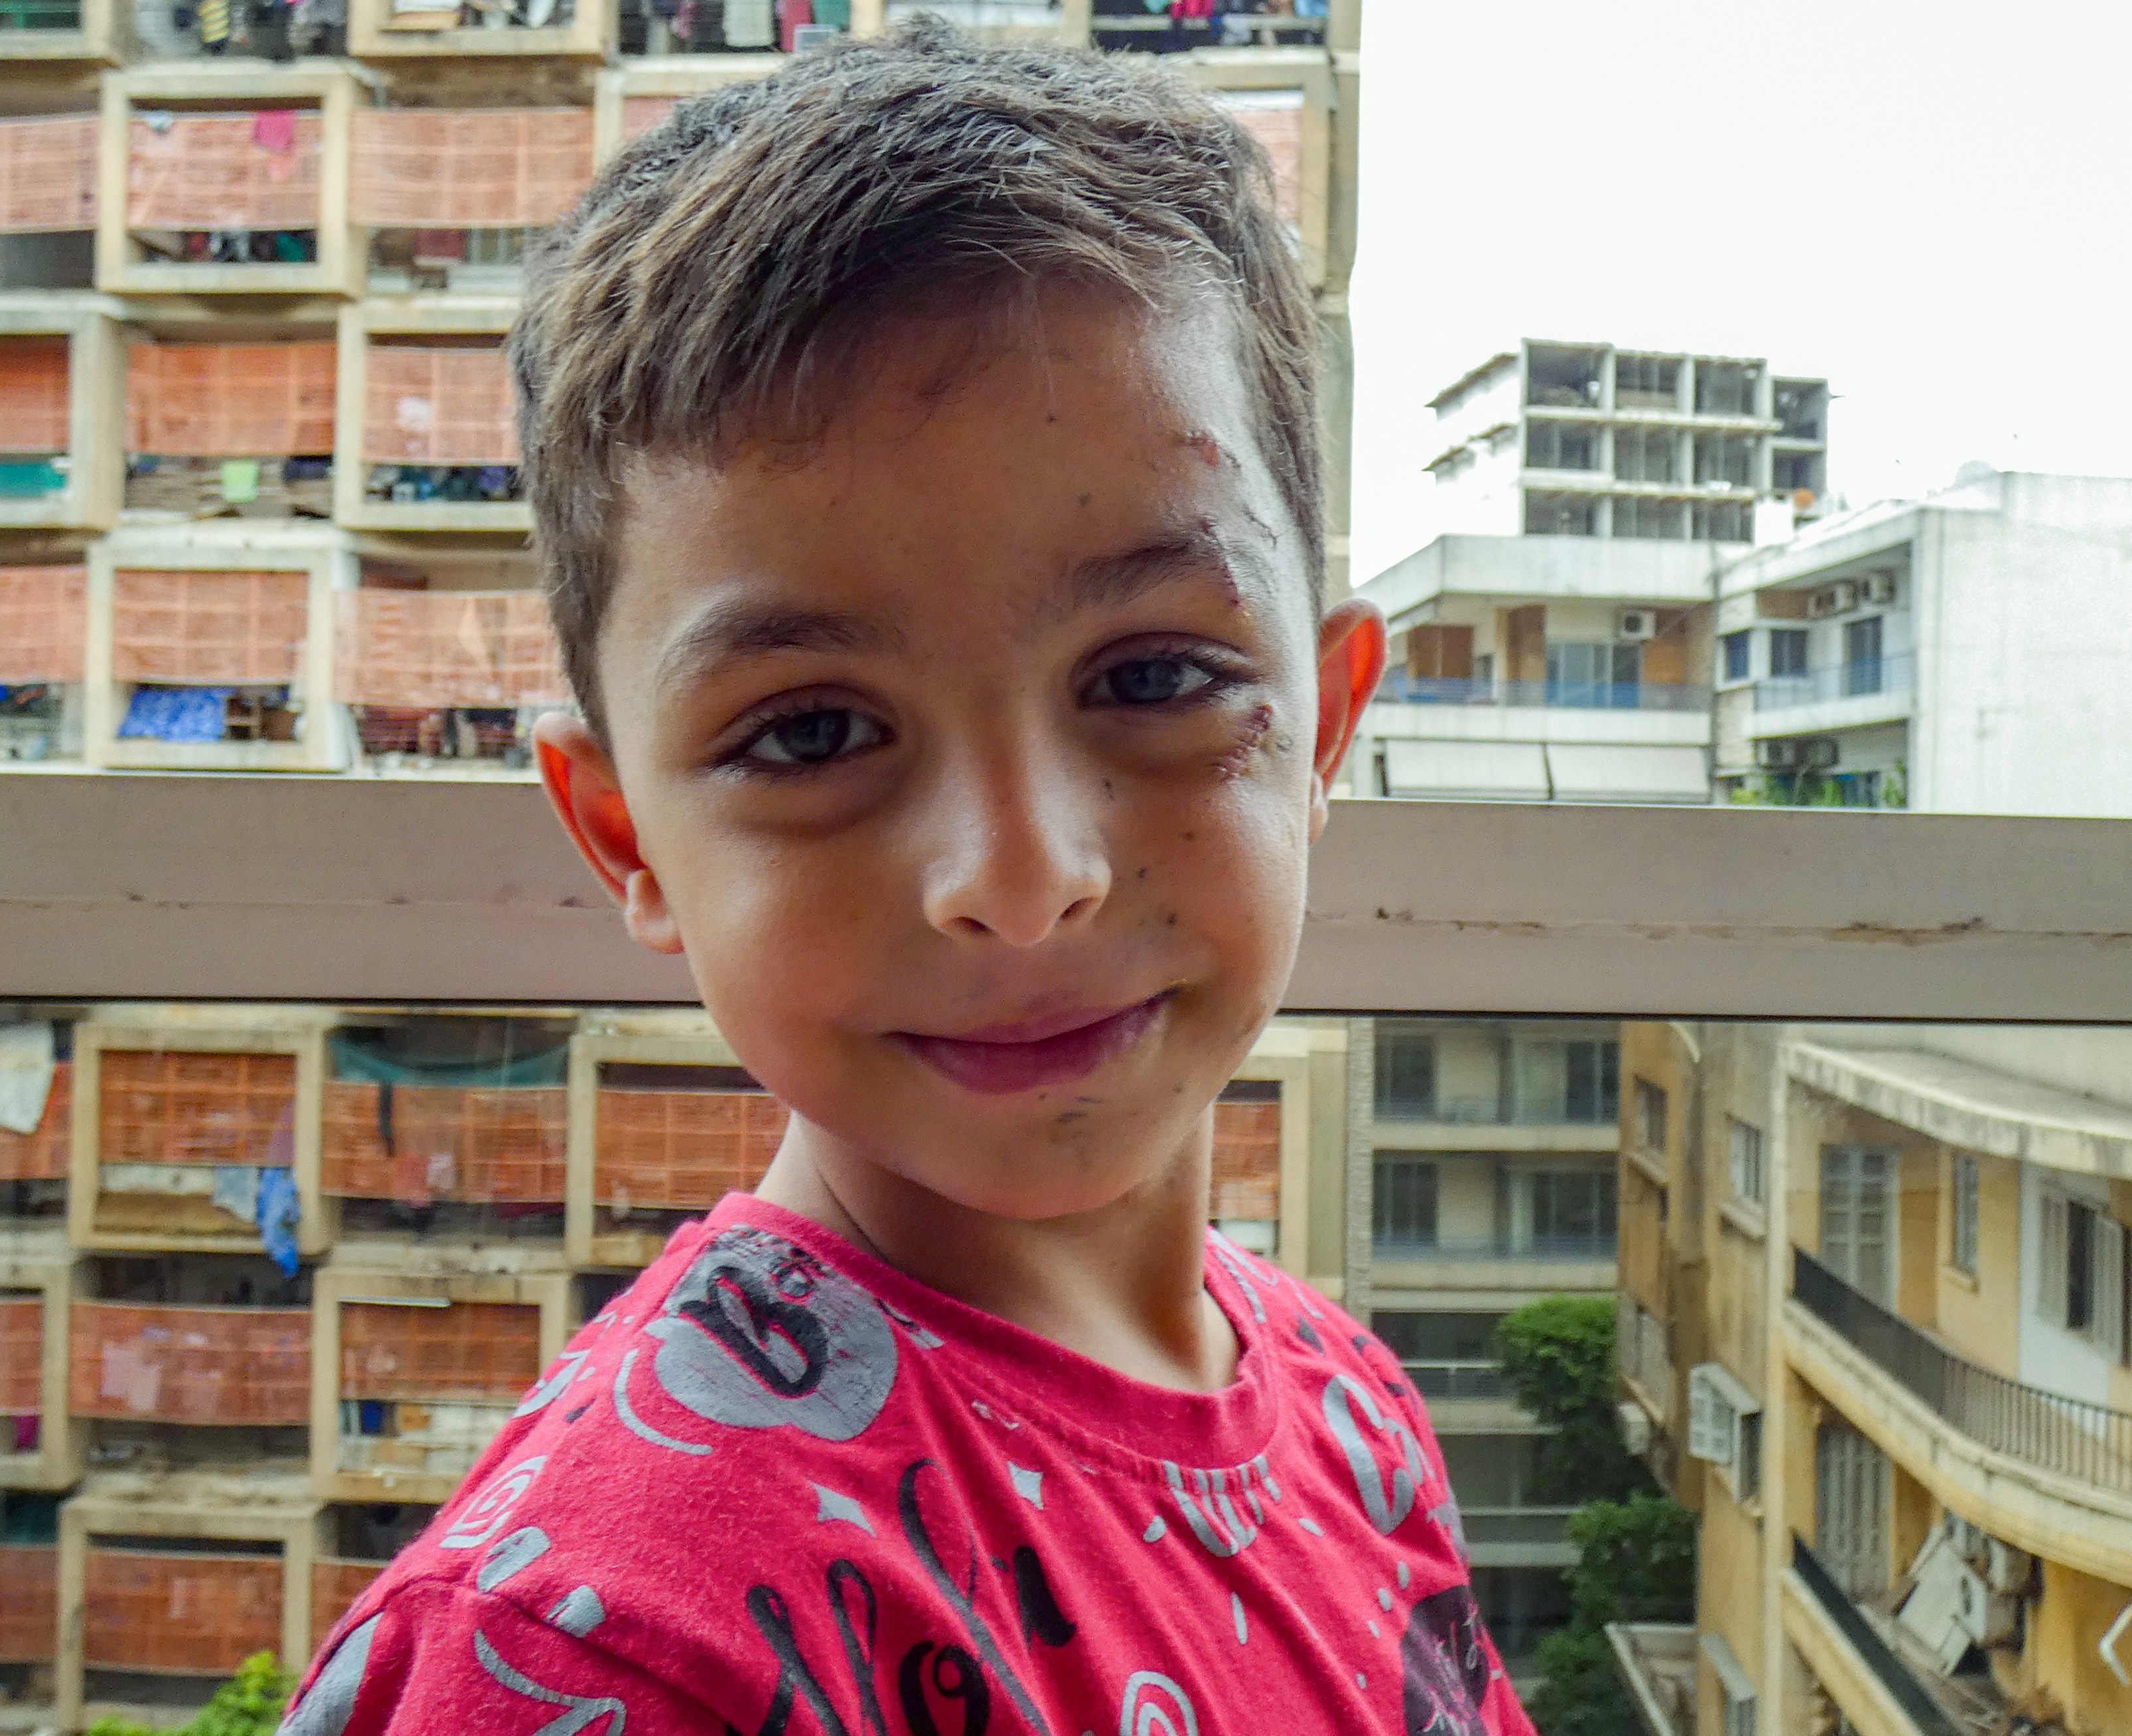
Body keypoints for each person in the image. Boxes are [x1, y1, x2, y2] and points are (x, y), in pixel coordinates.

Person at [279, 22, 1534, 1736]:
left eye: (1153, 679)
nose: (1020, 883)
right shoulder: (604, 1661)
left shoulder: (1348, 1413)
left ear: (1321, 727)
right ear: (626, 835)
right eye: (809, 734)